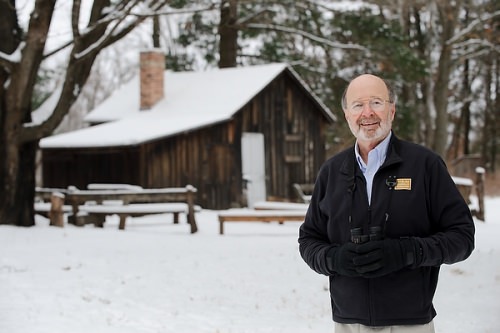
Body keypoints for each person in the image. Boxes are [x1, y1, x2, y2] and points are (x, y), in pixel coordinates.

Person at [298, 74, 475, 333]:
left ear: (392, 110)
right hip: (348, 323)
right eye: (358, 105)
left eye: (376, 103)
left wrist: (406, 252)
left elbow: (462, 237)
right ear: (347, 114)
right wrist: (335, 259)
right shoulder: (332, 172)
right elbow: (309, 240)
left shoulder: (424, 165)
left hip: (411, 322)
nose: (367, 113)